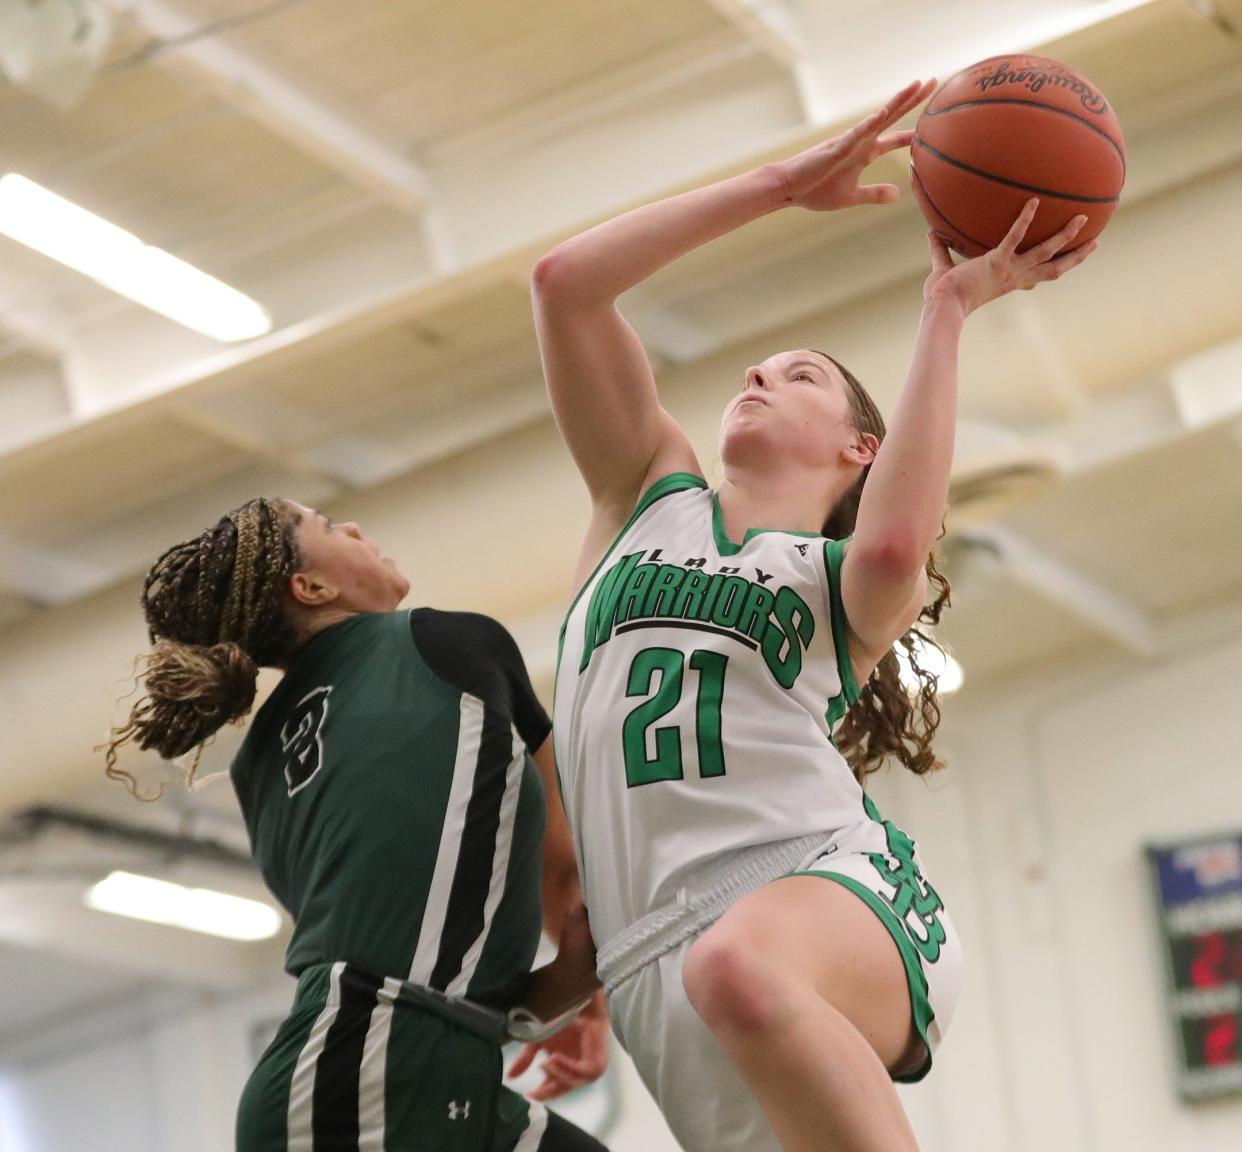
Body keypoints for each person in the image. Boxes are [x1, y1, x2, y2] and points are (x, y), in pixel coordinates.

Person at [531, 79, 1097, 1152]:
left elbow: (896, 543)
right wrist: (781, 186)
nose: (759, 373)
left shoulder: (839, 583)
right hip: (654, 955)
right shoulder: (643, 495)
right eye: (759, 364)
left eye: (800, 376)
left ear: (860, 451)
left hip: (812, 885)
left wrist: (947, 309)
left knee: (736, 967)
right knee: (723, 979)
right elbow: (565, 286)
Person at [103, 496, 611, 1152]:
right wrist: (587, 988)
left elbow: (411, 963)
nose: (355, 528)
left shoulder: (257, 769)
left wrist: (559, 996)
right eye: (327, 525)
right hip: (364, 1081)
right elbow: (563, 882)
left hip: (404, 1070)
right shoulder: (449, 645)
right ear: (311, 587)